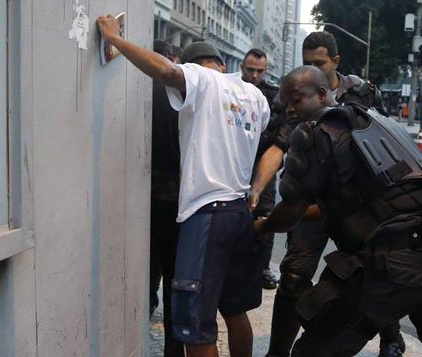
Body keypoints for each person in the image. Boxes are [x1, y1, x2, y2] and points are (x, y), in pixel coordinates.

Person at [255, 66, 422, 357]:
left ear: (322, 94)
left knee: (313, 351)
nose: (290, 109)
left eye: (296, 99)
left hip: (392, 264)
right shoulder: (378, 120)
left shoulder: (315, 133)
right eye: (286, 102)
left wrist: (263, 227)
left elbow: (292, 210)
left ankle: (391, 340)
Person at [98, 15, 270, 357]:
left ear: (194, 66)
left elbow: (165, 72)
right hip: (238, 212)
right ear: (222, 64)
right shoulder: (255, 96)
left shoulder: (200, 78)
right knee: (235, 312)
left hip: (207, 215)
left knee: (195, 328)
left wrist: (114, 38)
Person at [252, 31, 404, 356]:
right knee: (294, 274)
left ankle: (391, 338)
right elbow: (279, 147)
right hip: (313, 203)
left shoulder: (361, 94)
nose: (312, 67)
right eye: (306, 62)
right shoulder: (297, 95)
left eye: (319, 62)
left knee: (378, 271)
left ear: (334, 62)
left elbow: (386, 142)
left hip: (359, 206)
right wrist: (257, 189)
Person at [147, 40, 185, 357]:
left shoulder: (139, 89)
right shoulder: (179, 94)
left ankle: (143, 312)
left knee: (147, 267)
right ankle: (173, 349)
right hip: (174, 195)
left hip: (143, 191)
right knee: (174, 274)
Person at [239, 48, 285, 291]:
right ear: (242, 67)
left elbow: (281, 132)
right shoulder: (231, 88)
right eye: (250, 70)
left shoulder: (275, 96)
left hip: (264, 161)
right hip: (236, 160)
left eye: (259, 71)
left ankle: (263, 267)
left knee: (265, 212)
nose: (255, 75)